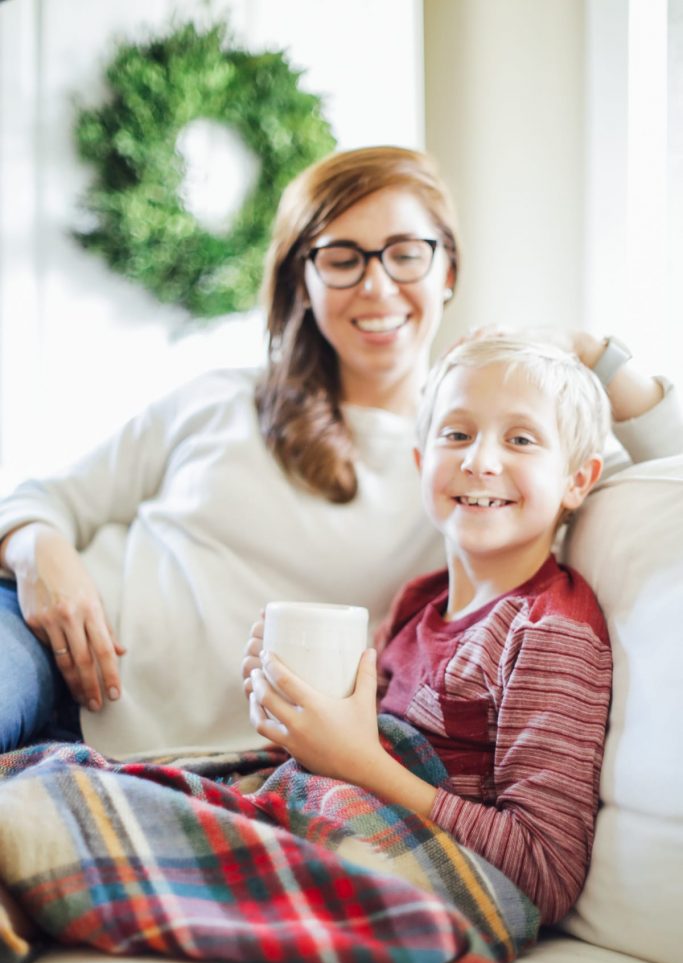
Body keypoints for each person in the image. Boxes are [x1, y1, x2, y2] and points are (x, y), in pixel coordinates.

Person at [0, 145, 680, 759]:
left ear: (447, 269)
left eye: (406, 253)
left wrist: (585, 350)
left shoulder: (475, 469)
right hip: (35, 639)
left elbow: (668, 477)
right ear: (304, 279)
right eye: (342, 257)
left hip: (196, 748)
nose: (376, 286)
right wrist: (39, 554)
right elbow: (42, 500)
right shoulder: (217, 398)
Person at [245, 332, 614, 926]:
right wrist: (295, 713)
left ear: (577, 480)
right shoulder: (417, 602)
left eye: (520, 439)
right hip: (336, 819)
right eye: (456, 434)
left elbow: (546, 872)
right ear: (421, 463)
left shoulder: (549, 631)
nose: (479, 460)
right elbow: (351, 751)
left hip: (423, 872)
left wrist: (358, 763)